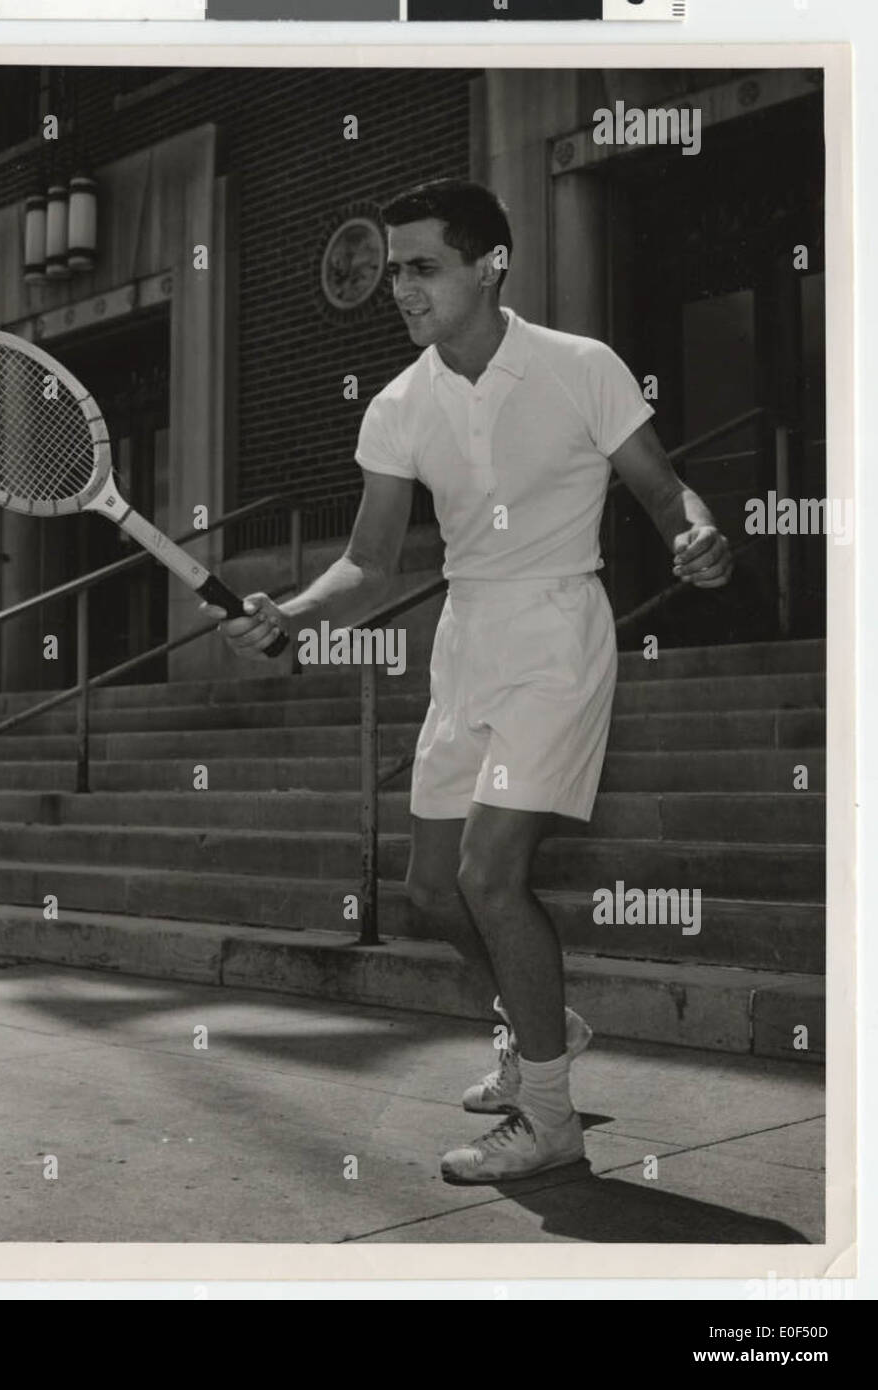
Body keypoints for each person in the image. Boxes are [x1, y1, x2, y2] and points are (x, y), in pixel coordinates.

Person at [201, 178, 732, 1184]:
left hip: (556, 633)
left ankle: (546, 1118)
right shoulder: (400, 405)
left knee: (491, 872)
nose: (398, 286)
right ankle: (539, 1027)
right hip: (466, 638)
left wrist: (691, 536)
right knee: (431, 892)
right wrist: (290, 615)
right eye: (392, 268)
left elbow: (662, 491)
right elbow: (365, 560)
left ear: (489, 264)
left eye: (421, 266)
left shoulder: (581, 368)